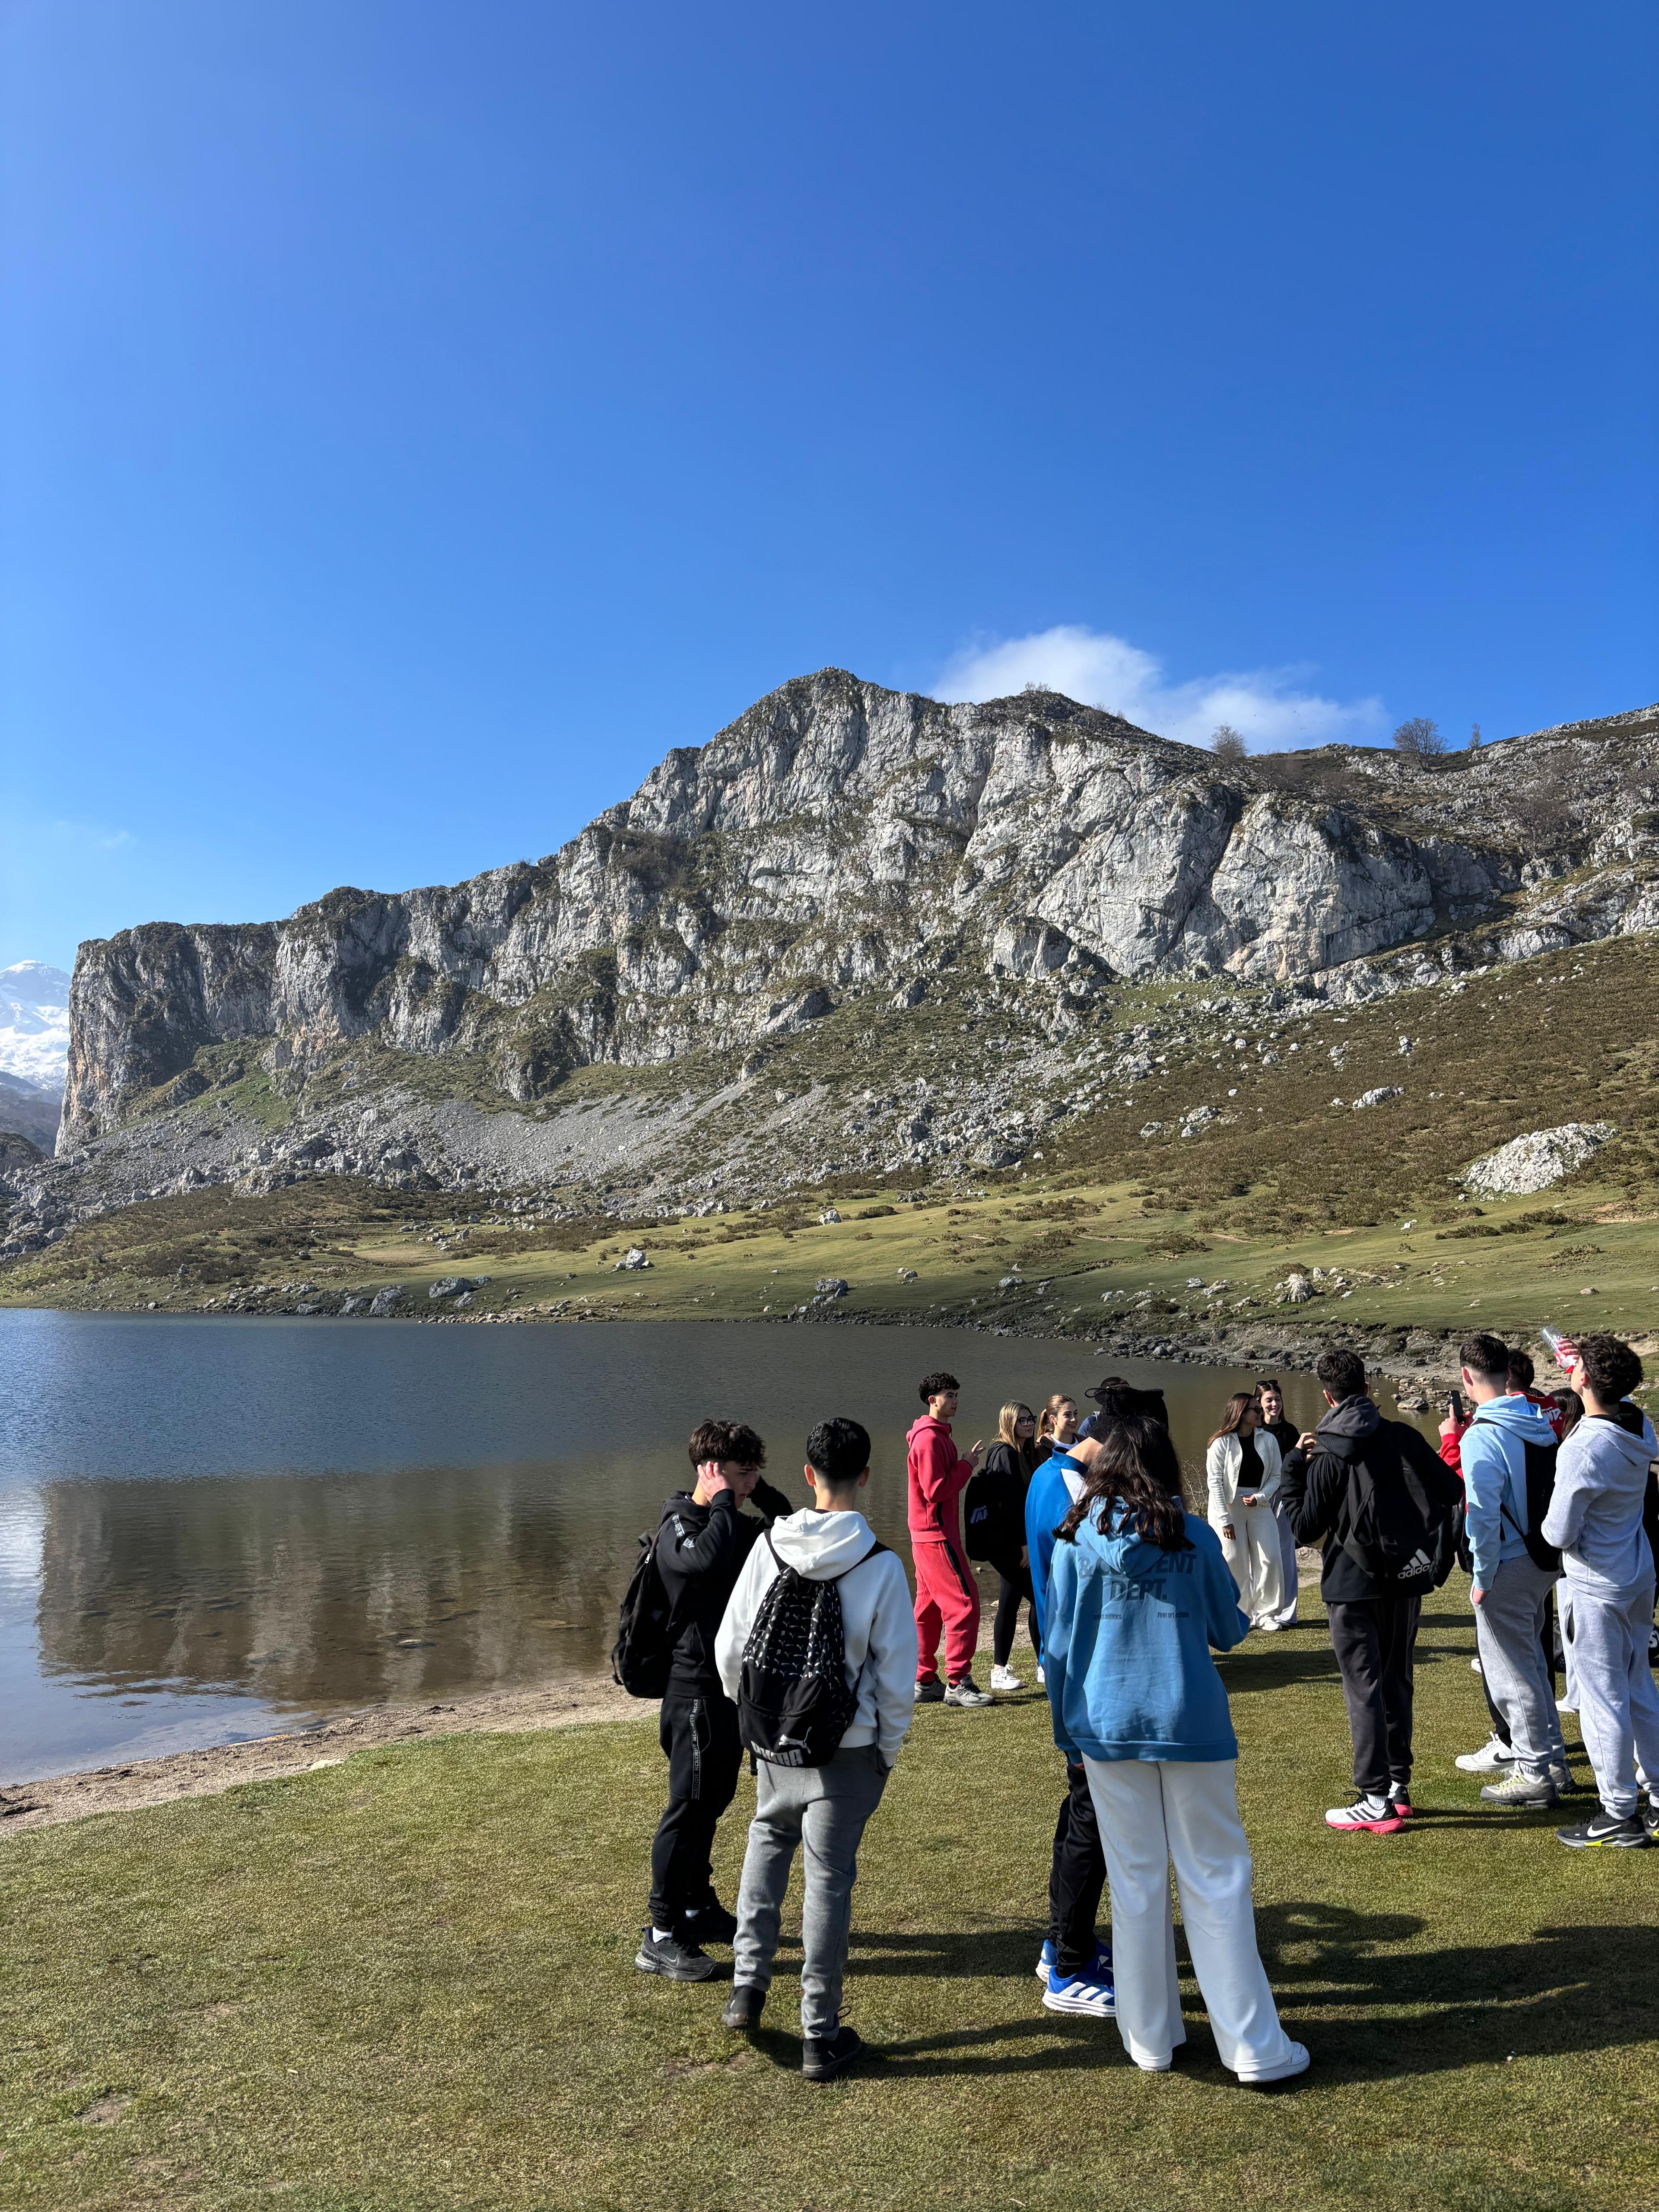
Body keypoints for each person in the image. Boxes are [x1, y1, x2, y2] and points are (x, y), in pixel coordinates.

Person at [1042, 1425, 1308, 2085]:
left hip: (1105, 1726)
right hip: (1190, 1720)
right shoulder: (1191, 1534)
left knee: (1135, 1881)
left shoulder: (1073, 1540)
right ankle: (1252, 2046)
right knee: (1216, 1876)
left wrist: (1065, 1734)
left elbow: (1058, 1648)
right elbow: (1229, 1629)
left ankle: (1150, 2038)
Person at [715, 1417, 918, 2081]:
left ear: (808, 1475)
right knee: (828, 1882)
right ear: (866, 1475)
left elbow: (730, 1649)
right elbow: (897, 1679)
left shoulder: (769, 1545)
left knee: (766, 1843)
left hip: (776, 1740)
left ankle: (748, 1987)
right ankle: (818, 2034)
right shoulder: (881, 1565)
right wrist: (886, 1749)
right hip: (846, 1747)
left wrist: (758, 1721)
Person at [1279, 1346, 1460, 1834]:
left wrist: (1293, 1469)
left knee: (1364, 1687)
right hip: (1405, 1576)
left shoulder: (1329, 1452)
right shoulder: (1403, 1436)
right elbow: (1450, 1489)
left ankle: (1375, 1797)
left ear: (1328, 1396)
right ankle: (1397, 1786)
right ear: (1367, 1386)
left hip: (1352, 1582)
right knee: (1397, 1679)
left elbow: (1304, 1527)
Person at [637, 1419, 792, 1981]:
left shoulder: (731, 1522)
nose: (749, 1484)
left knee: (714, 1799)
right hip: (692, 1693)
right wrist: (724, 1498)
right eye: (741, 1472)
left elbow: (786, 1527)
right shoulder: (680, 1524)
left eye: (755, 1473)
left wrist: (756, 1490)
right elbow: (703, 1560)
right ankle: (660, 1934)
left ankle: (697, 1906)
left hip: (727, 1689)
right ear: (710, 1471)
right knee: (688, 1807)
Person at [1540, 1334, 1659, 1849]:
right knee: (1638, 1686)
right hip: (1637, 1574)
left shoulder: (1584, 1446)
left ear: (1584, 1378)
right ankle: (1657, 1796)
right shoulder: (1638, 1423)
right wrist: (1586, 1367)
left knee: (1602, 1699)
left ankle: (1617, 1811)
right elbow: (1616, 1399)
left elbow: (1558, 1532)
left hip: (1596, 1584)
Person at [1447, 1332, 1569, 1810]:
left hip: (1509, 1561)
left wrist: (1482, 1577)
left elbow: (1481, 1514)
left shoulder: (1482, 1433)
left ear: (1467, 1376)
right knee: (1533, 1663)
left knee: (1511, 1673)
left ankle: (1534, 1771)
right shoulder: (1538, 1419)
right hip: (1543, 1557)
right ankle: (1552, 1761)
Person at [1025, 1419, 1114, 2019]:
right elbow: (1074, 1577)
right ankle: (1068, 1963)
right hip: (1077, 1668)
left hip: (1066, 1659)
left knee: (1079, 1810)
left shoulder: (1047, 1475)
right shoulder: (1066, 1489)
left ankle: (1061, 1941)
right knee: (1090, 1818)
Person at [907, 1370, 989, 1707]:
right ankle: (958, 1682)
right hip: (936, 1535)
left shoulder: (935, 1435)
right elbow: (935, 1490)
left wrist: (962, 1464)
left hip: (927, 1534)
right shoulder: (929, 1439)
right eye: (949, 1395)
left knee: (927, 1609)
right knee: (965, 1605)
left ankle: (924, 1680)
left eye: (956, 1395)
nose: (955, 1401)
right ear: (933, 1400)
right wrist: (966, 1466)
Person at [1205, 1393, 1286, 1629]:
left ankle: (1267, 1614)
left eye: (1259, 1409)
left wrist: (1261, 1497)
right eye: (1255, 1410)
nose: (1260, 1413)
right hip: (1229, 1507)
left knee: (1270, 1558)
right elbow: (1215, 1483)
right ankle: (1240, 1614)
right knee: (1234, 1560)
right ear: (1240, 1414)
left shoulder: (1268, 1440)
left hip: (1259, 1504)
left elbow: (1276, 1476)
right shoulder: (1221, 1443)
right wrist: (1224, 1519)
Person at [980, 1401, 1039, 1692]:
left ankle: (1000, 1670)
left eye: (1031, 1419)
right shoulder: (1004, 1453)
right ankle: (1043, 1664)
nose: (1028, 1424)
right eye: (1022, 1420)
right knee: (1041, 1599)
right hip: (1009, 1544)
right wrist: (1023, 1545)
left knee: (1009, 1603)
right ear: (1009, 1423)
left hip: (1009, 1542)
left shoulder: (1021, 1452)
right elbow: (1009, 1505)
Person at [1255, 1379, 1302, 1627]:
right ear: (1259, 1404)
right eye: (1269, 1400)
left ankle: (1287, 1612)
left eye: (1278, 1399)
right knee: (1260, 1553)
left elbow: (1297, 1467)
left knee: (1286, 1552)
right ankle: (1260, 1611)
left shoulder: (1290, 1431)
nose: (1275, 1404)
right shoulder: (1253, 1431)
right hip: (1258, 1497)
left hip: (1285, 1497)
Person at [1035, 1391, 1080, 1464]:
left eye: (1075, 1413)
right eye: (1067, 1415)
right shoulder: (1043, 1450)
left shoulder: (1085, 1443)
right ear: (1053, 1419)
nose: (1074, 1419)